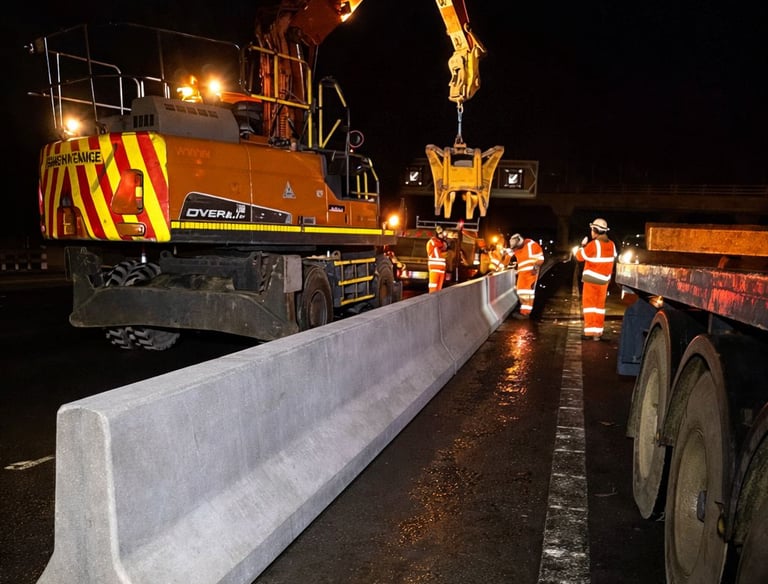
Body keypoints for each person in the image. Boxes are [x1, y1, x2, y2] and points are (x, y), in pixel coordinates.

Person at [574, 217, 617, 340]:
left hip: (591, 281)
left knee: (589, 307)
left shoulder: (593, 245)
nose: (591, 232)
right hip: (604, 281)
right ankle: (597, 334)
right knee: (599, 308)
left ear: (596, 230)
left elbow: (579, 257)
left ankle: (589, 332)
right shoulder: (612, 245)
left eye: (592, 229)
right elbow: (613, 257)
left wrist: (582, 246)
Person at [509, 233, 545, 319]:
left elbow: (541, 258)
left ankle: (525, 313)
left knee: (527, 292)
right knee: (521, 291)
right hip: (522, 273)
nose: (516, 249)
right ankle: (524, 309)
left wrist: (536, 266)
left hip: (531, 273)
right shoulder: (517, 248)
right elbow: (509, 253)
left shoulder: (531, 245)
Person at [426, 226, 449, 293]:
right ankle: (431, 299)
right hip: (434, 269)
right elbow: (439, 244)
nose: (442, 235)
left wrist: (445, 241)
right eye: (440, 233)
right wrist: (444, 241)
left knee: (439, 290)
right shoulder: (432, 242)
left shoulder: (440, 244)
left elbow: (444, 248)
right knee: (433, 289)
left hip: (441, 270)